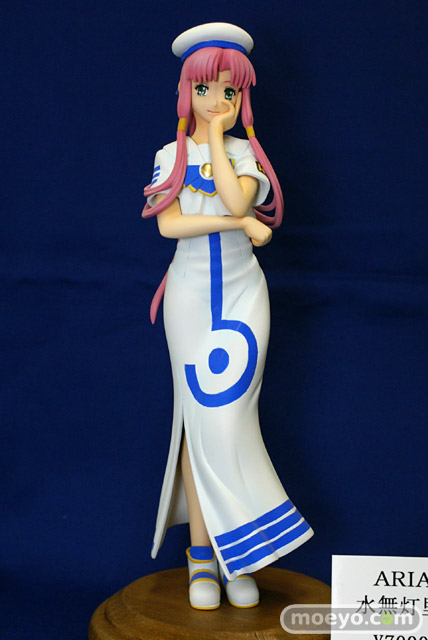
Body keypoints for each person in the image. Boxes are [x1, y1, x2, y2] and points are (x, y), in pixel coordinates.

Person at [142, 22, 314, 610]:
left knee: (233, 421)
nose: (217, 101)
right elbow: (170, 226)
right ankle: (202, 558)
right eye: (205, 89)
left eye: (230, 91)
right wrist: (239, 223)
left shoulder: (244, 153)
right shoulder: (169, 156)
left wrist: (217, 137)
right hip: (190, 297)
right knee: (197, 422)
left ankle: (236, 554)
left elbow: (241, 197)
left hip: (244, 295)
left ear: (242, 97)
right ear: (185, 91)